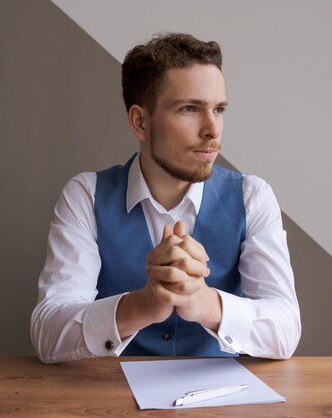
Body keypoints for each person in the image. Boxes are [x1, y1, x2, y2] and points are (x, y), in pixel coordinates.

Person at [30, 33, 300, 363]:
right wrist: (141, 306)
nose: (212, 130)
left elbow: (286, 330)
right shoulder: (85, 195)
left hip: (222, 404)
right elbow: (47, 332)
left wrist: (203, 303)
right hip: (112, 402)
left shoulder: (252, 197)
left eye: (219, 109)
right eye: (189, 109)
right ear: (140, 122)